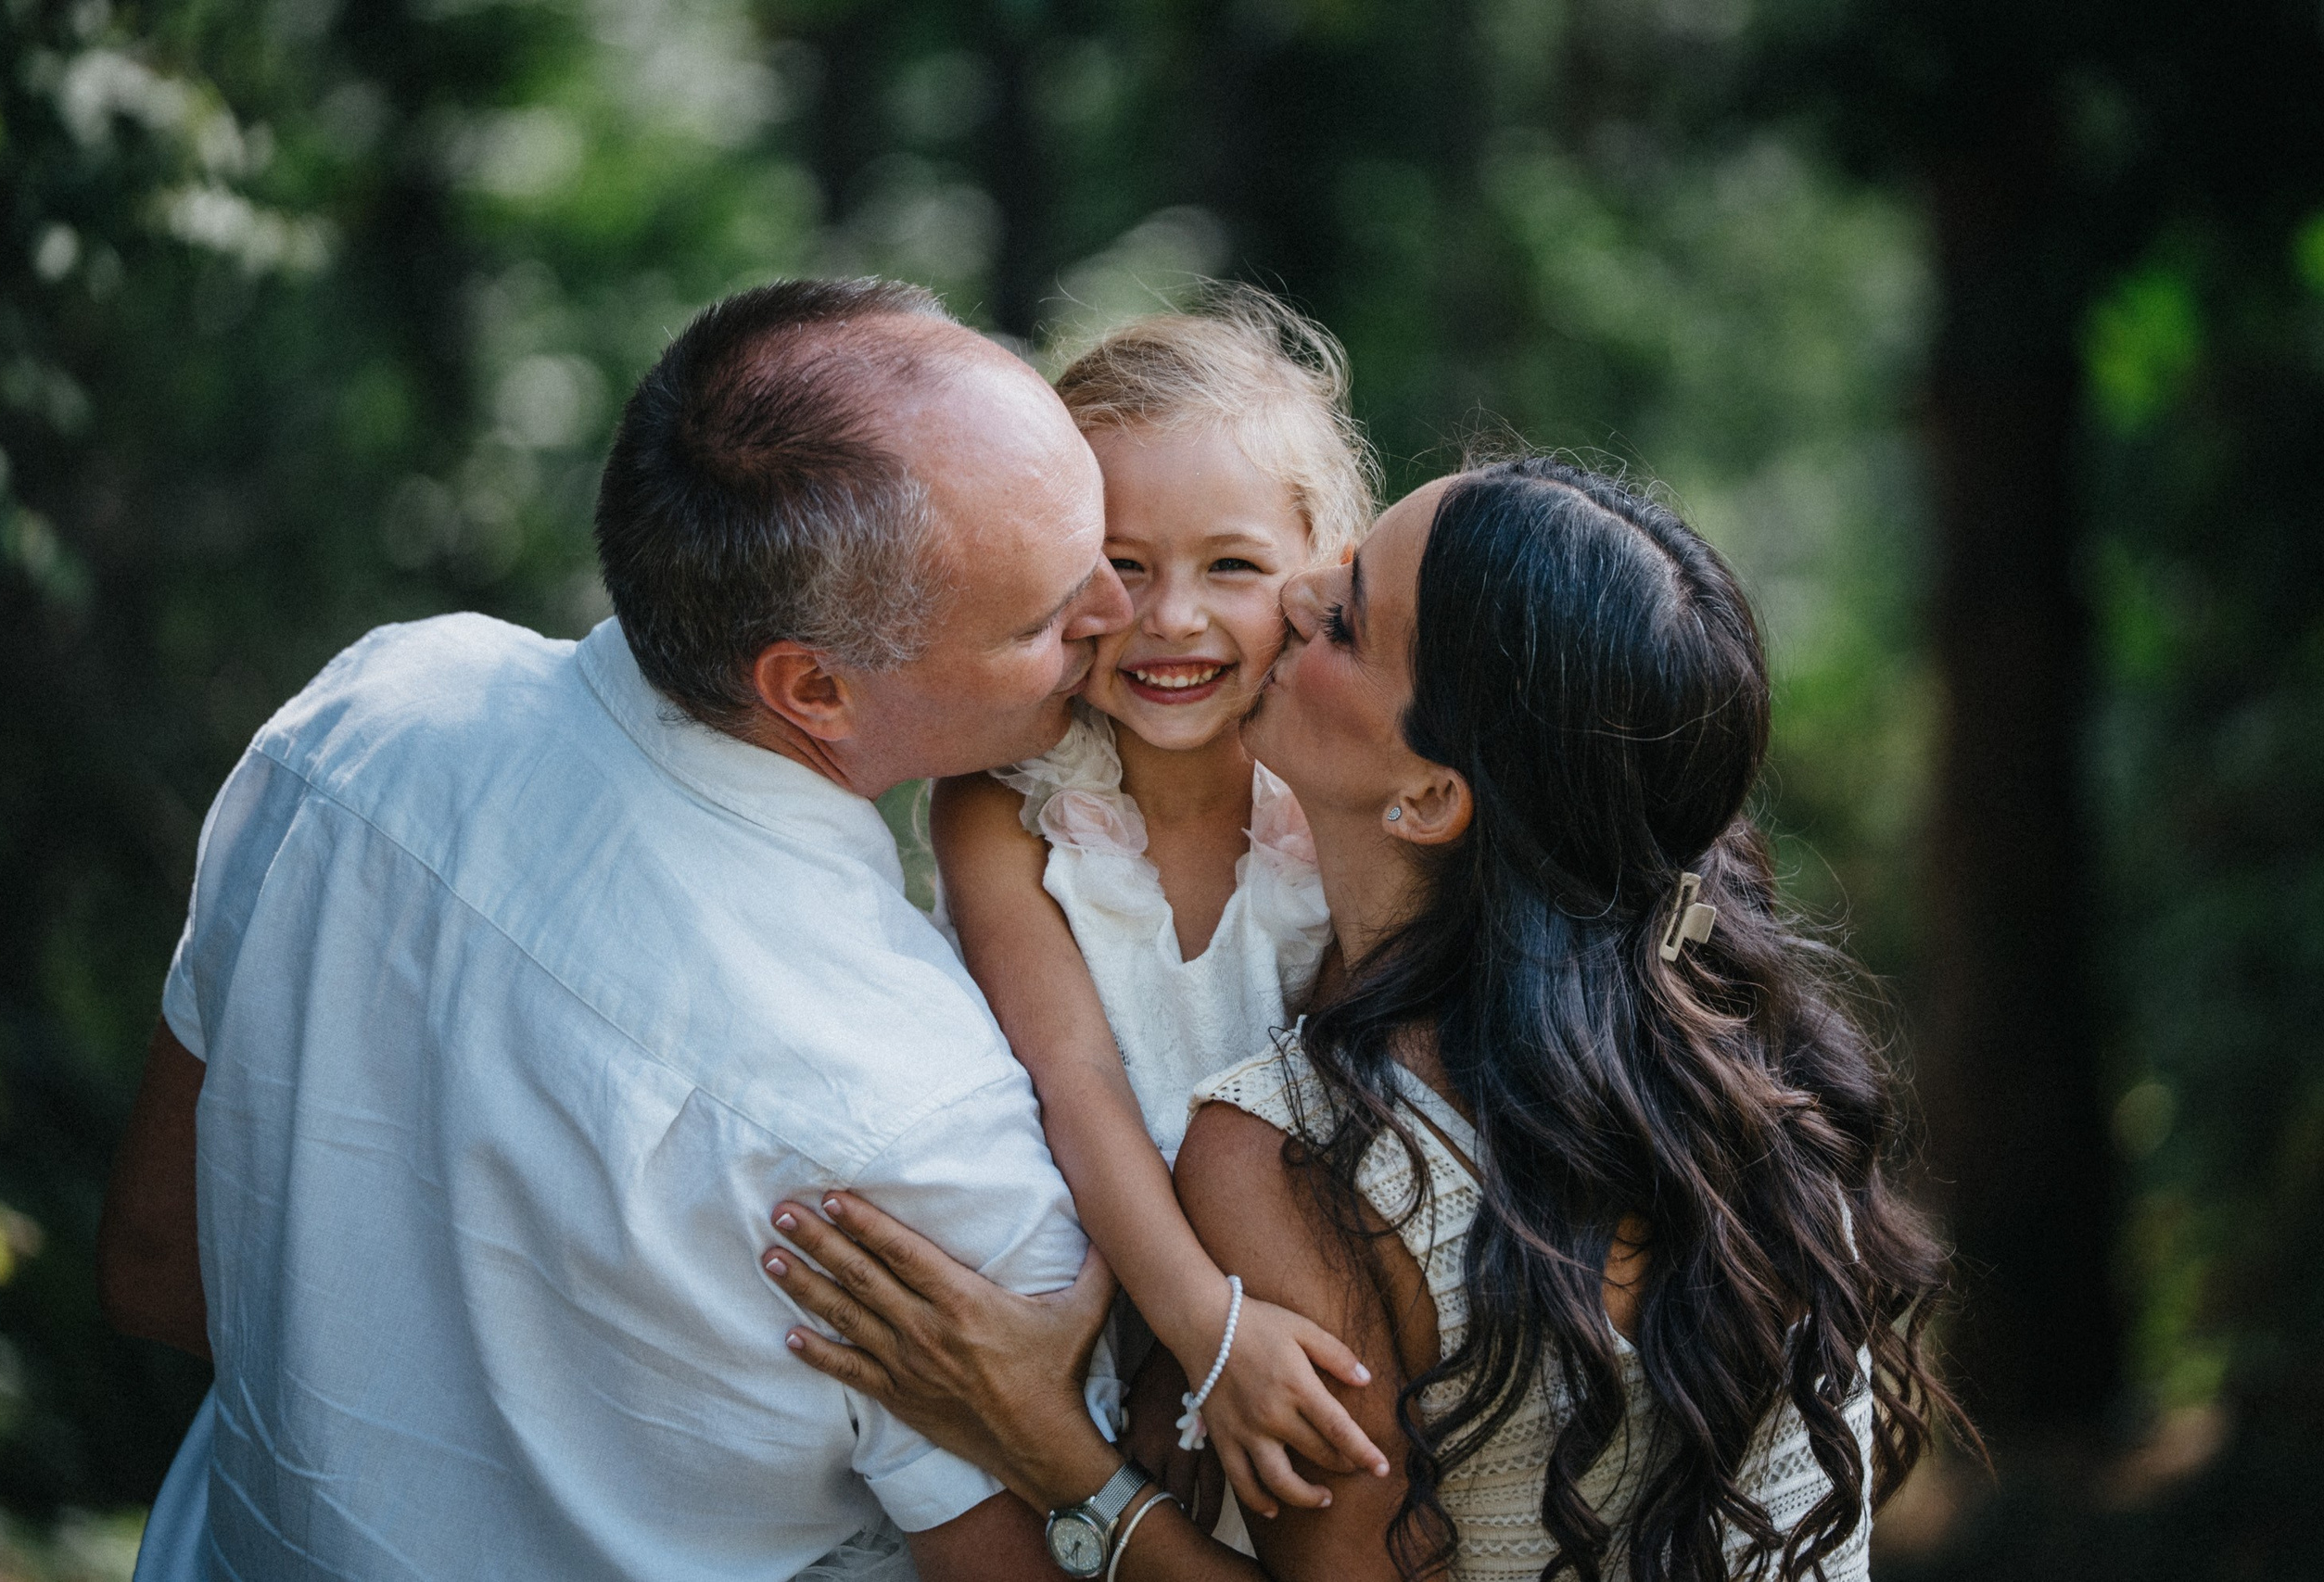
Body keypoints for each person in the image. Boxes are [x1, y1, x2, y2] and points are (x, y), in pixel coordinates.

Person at [95, 276, 1135, 1581]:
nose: (1121, 611)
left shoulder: (362, 722)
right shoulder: (919, 1114)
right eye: (1049, 620)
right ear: (813, 686)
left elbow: (151, 1268)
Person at [760, 457, 1964, 1580]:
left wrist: (1048, 1453)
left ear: (1432, 793)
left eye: (1344, 618)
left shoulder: (1312, 1158)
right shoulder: (1752, 1060)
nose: (1293, 593)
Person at [931, 289, 1390, 1530]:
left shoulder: (1333, 798)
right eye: (1121, 568)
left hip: (1311, 1313)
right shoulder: (1003, 810)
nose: (1170, 617)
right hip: (1083, 1300)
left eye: (1230, 566)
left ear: (1319, 575)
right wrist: (1195, 1332)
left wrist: (1240, 1344)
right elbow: (1073, 1079)